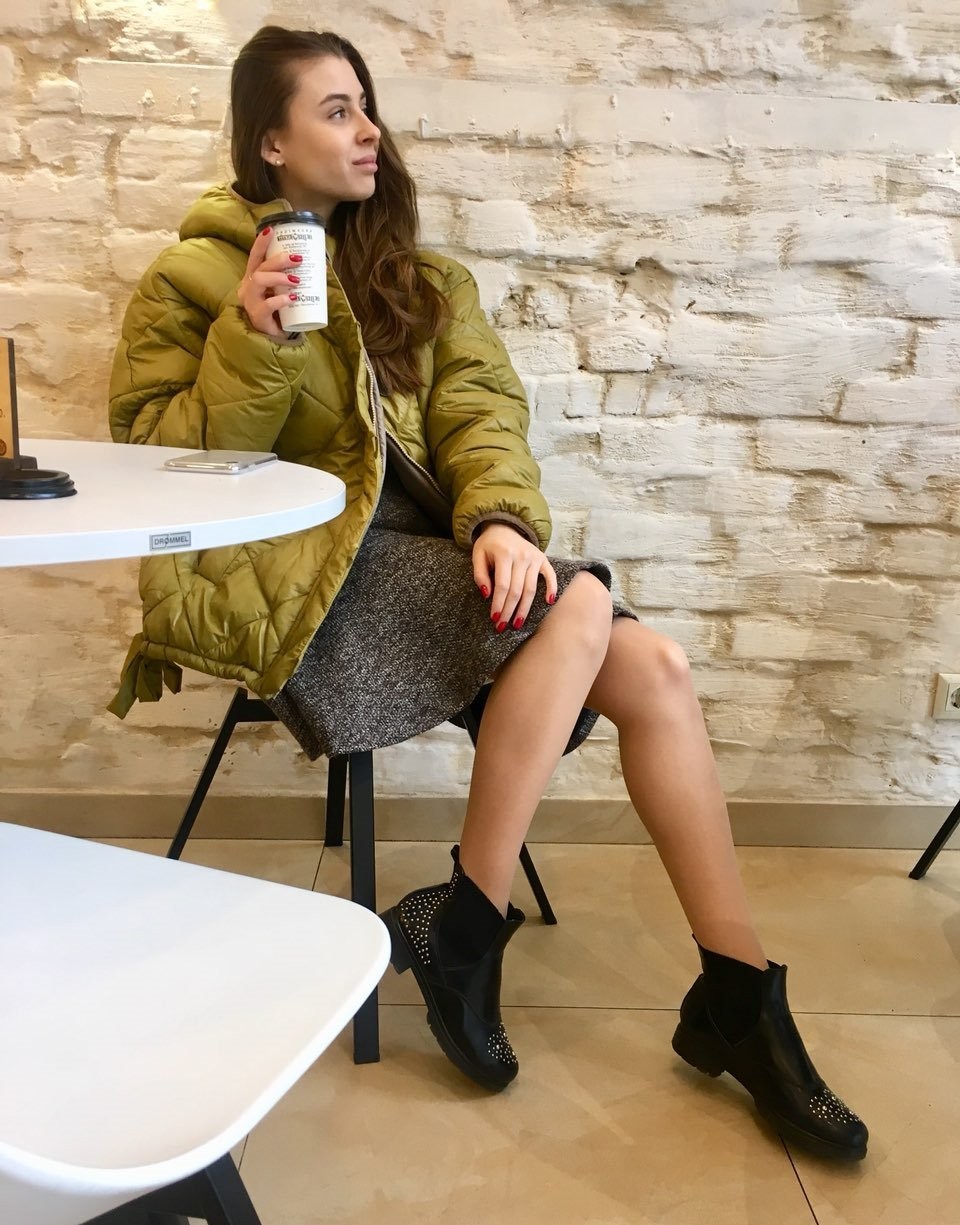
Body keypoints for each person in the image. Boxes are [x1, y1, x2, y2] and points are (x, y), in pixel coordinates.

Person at [108, 25, 868, 1162]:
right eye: (335, 110)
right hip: (303, 581)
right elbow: (161, 465)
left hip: (433, 566)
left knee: (656, 666)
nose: (368, 130)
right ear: (268, 141)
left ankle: (730, 984)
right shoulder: (190, 281)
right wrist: (250, 340)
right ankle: (473, 925)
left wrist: (501, 520)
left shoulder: (423, 281)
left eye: (367, 106)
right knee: (585, 607)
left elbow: (480, 416)